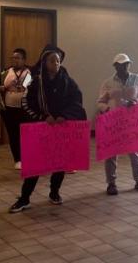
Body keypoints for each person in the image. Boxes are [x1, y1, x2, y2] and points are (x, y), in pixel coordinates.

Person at [9, 45, 87, 212]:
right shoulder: (36, 81)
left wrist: (64, 116)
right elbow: (26, 103)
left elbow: (77, 101)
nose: (56, 63)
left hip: (60, 126)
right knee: (35, 164)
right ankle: (24, 198)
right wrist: (44, 117)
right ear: (45, 62)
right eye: (53, 60)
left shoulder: (67, 81)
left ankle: (54, 192)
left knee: (59, 162)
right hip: (41, 126)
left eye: (59, 60)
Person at [97, 54, 138, 195]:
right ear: (115, 66)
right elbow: (100, 101)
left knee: (135, 151)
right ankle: (111, 183)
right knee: (111, 153)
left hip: (132, 122)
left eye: (126, 64)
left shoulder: (137, 79)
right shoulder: (108, 83)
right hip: (114, 122)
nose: (123, 67)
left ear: (129, 64)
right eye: (120, 64)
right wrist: (107, 109)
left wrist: (137, 102)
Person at [0, 48, 31, 169]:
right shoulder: (5, 72)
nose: (15, 60)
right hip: (9, 110)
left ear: (24, 60)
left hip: (26, 110)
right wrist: (0, 88)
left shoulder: (31, 72)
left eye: (18, 58)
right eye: (13, 58)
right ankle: (18, 160)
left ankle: (29, 158)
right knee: (13, 134)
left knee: (27, 135)